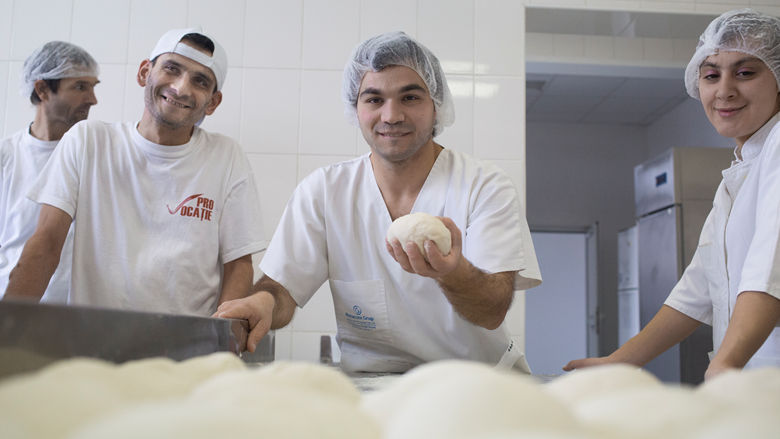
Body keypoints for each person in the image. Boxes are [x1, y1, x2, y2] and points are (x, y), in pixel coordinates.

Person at [215, 31, 542, 372]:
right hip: (372, 385)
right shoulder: (325, 191)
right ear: (355, 108)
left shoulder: (483, 186)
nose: (391, 116)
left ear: (436, 106)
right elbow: (282, 288)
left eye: (410, 98)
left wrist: (453, 272)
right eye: (374, 99)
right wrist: (263, 302)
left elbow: (492, 310)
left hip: (477, 381)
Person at [565, 9, 780, 379]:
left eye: (745, 73)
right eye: (711, 75)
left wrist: (726, 363)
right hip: (754, 381)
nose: (724, 90)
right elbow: (696, 288)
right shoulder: (741, 172)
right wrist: (621, 360)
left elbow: (770, 266)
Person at [4, 28, 265, 316]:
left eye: (200, 81)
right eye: (172, 69)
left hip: (190, 343)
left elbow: (238, 264)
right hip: (94, 340)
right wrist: (8, 327)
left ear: (213, 102)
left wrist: (224, 337)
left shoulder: (226, 157)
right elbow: (46, 243)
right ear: (144, 72)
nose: (181, 88)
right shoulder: (88, 141)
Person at [0, 41, 99, 303]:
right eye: (80, 86)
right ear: (42, 89)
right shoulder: (6, 157)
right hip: (14, 307)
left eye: (93, 87)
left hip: (77, 313)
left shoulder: (97, 156)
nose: (93, 99)